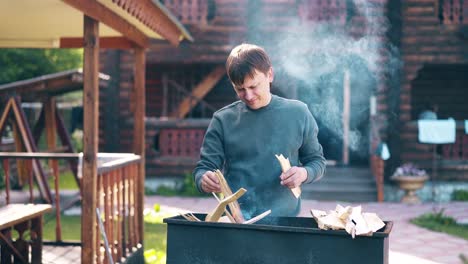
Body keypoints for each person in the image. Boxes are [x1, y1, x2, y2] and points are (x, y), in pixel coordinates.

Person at [193, 43, 326, 218]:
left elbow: (317, 162)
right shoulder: (222, 120)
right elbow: (203, 169)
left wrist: (303, 173)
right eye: (240, 89)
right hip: (236, 221)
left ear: (269, 74)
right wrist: (204, 179)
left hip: (284, 222)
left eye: (253, 86)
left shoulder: (298, 113)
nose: (248, 96)